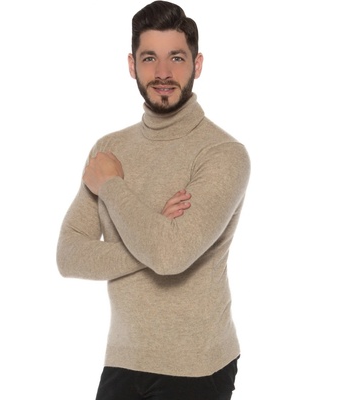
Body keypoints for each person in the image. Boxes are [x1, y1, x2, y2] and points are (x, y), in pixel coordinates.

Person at [56, 1, 250, 399]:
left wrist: (113, 187)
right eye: (150, 58)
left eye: (176, 58)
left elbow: (170, 256)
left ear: (197, 65)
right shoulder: (108, 150)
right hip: (123, 359)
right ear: (132, 65)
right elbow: (69, 256)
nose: (163, 72)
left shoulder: (223, 154)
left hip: (197, 365)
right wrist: (156, 233)